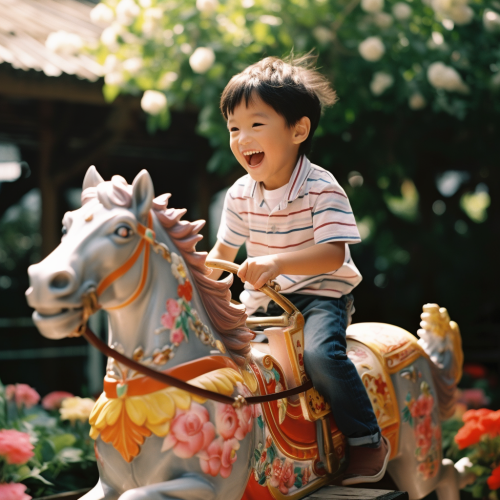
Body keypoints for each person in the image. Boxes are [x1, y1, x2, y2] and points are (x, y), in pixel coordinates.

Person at [207, 54, 390, 485]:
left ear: (298, 130)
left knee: (319, 356)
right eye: (234, 127)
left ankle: (367, 440)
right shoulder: (239, 194)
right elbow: (222, 251)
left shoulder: (320, 186)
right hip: (262, 303)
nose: (241, 137)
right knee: (215, 358)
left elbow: (331, 253)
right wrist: (196, 286)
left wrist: (275, 262)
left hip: (319, 296)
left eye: (255, 124)